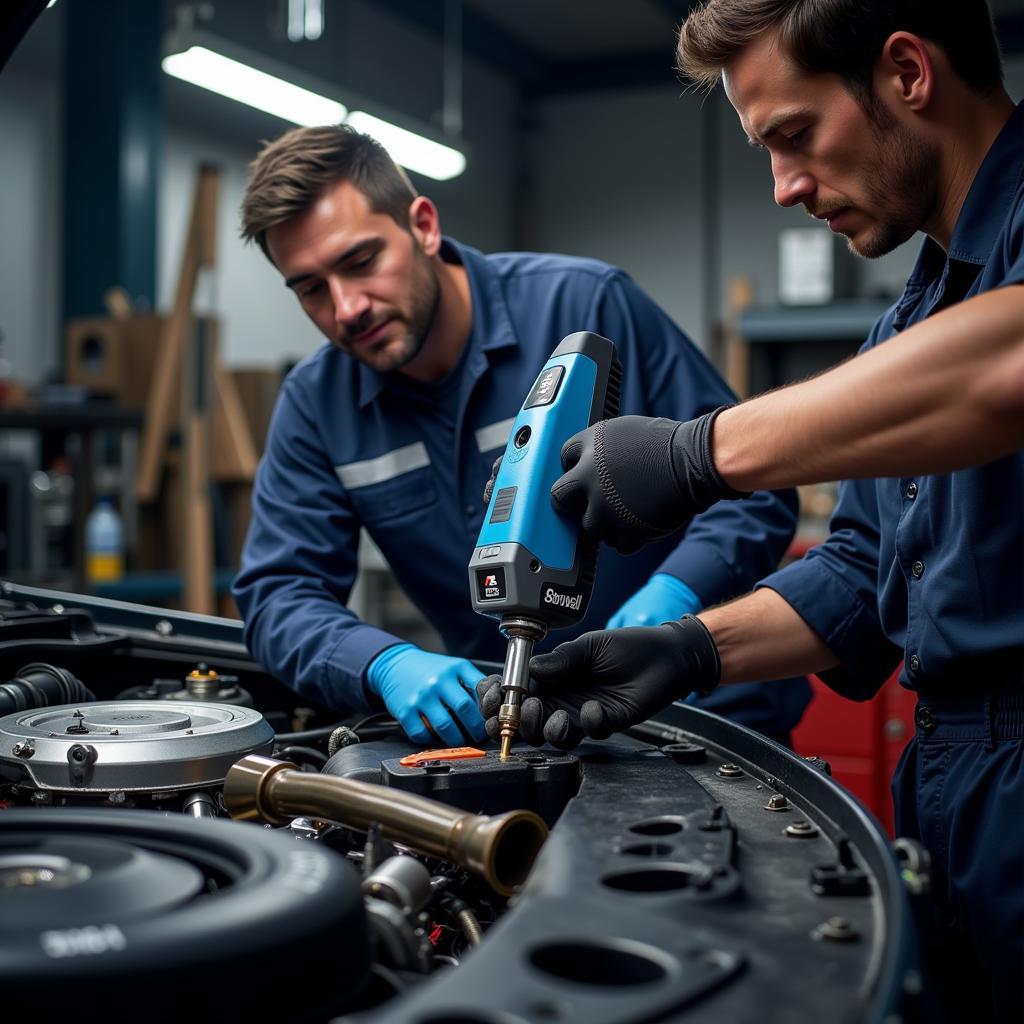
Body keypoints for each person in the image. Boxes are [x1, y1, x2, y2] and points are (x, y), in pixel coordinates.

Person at [481, 2, 1023, 1019]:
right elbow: (861, 572)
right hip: (958, 799)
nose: (781, 188)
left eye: (793, 135)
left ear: (906, 72)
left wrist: (701, 453)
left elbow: (1005, 367)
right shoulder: (908, 322)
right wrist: (684, 649)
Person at [231, 124, 810, 751]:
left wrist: (671, 601)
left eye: (361, 262)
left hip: (697, 709)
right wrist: (381, 663)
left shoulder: (588, 308)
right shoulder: (318, 404)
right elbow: (280, 595)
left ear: (423, 225)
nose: (346, 308)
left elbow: (753, 487)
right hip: (521, 727)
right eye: (311, 289)